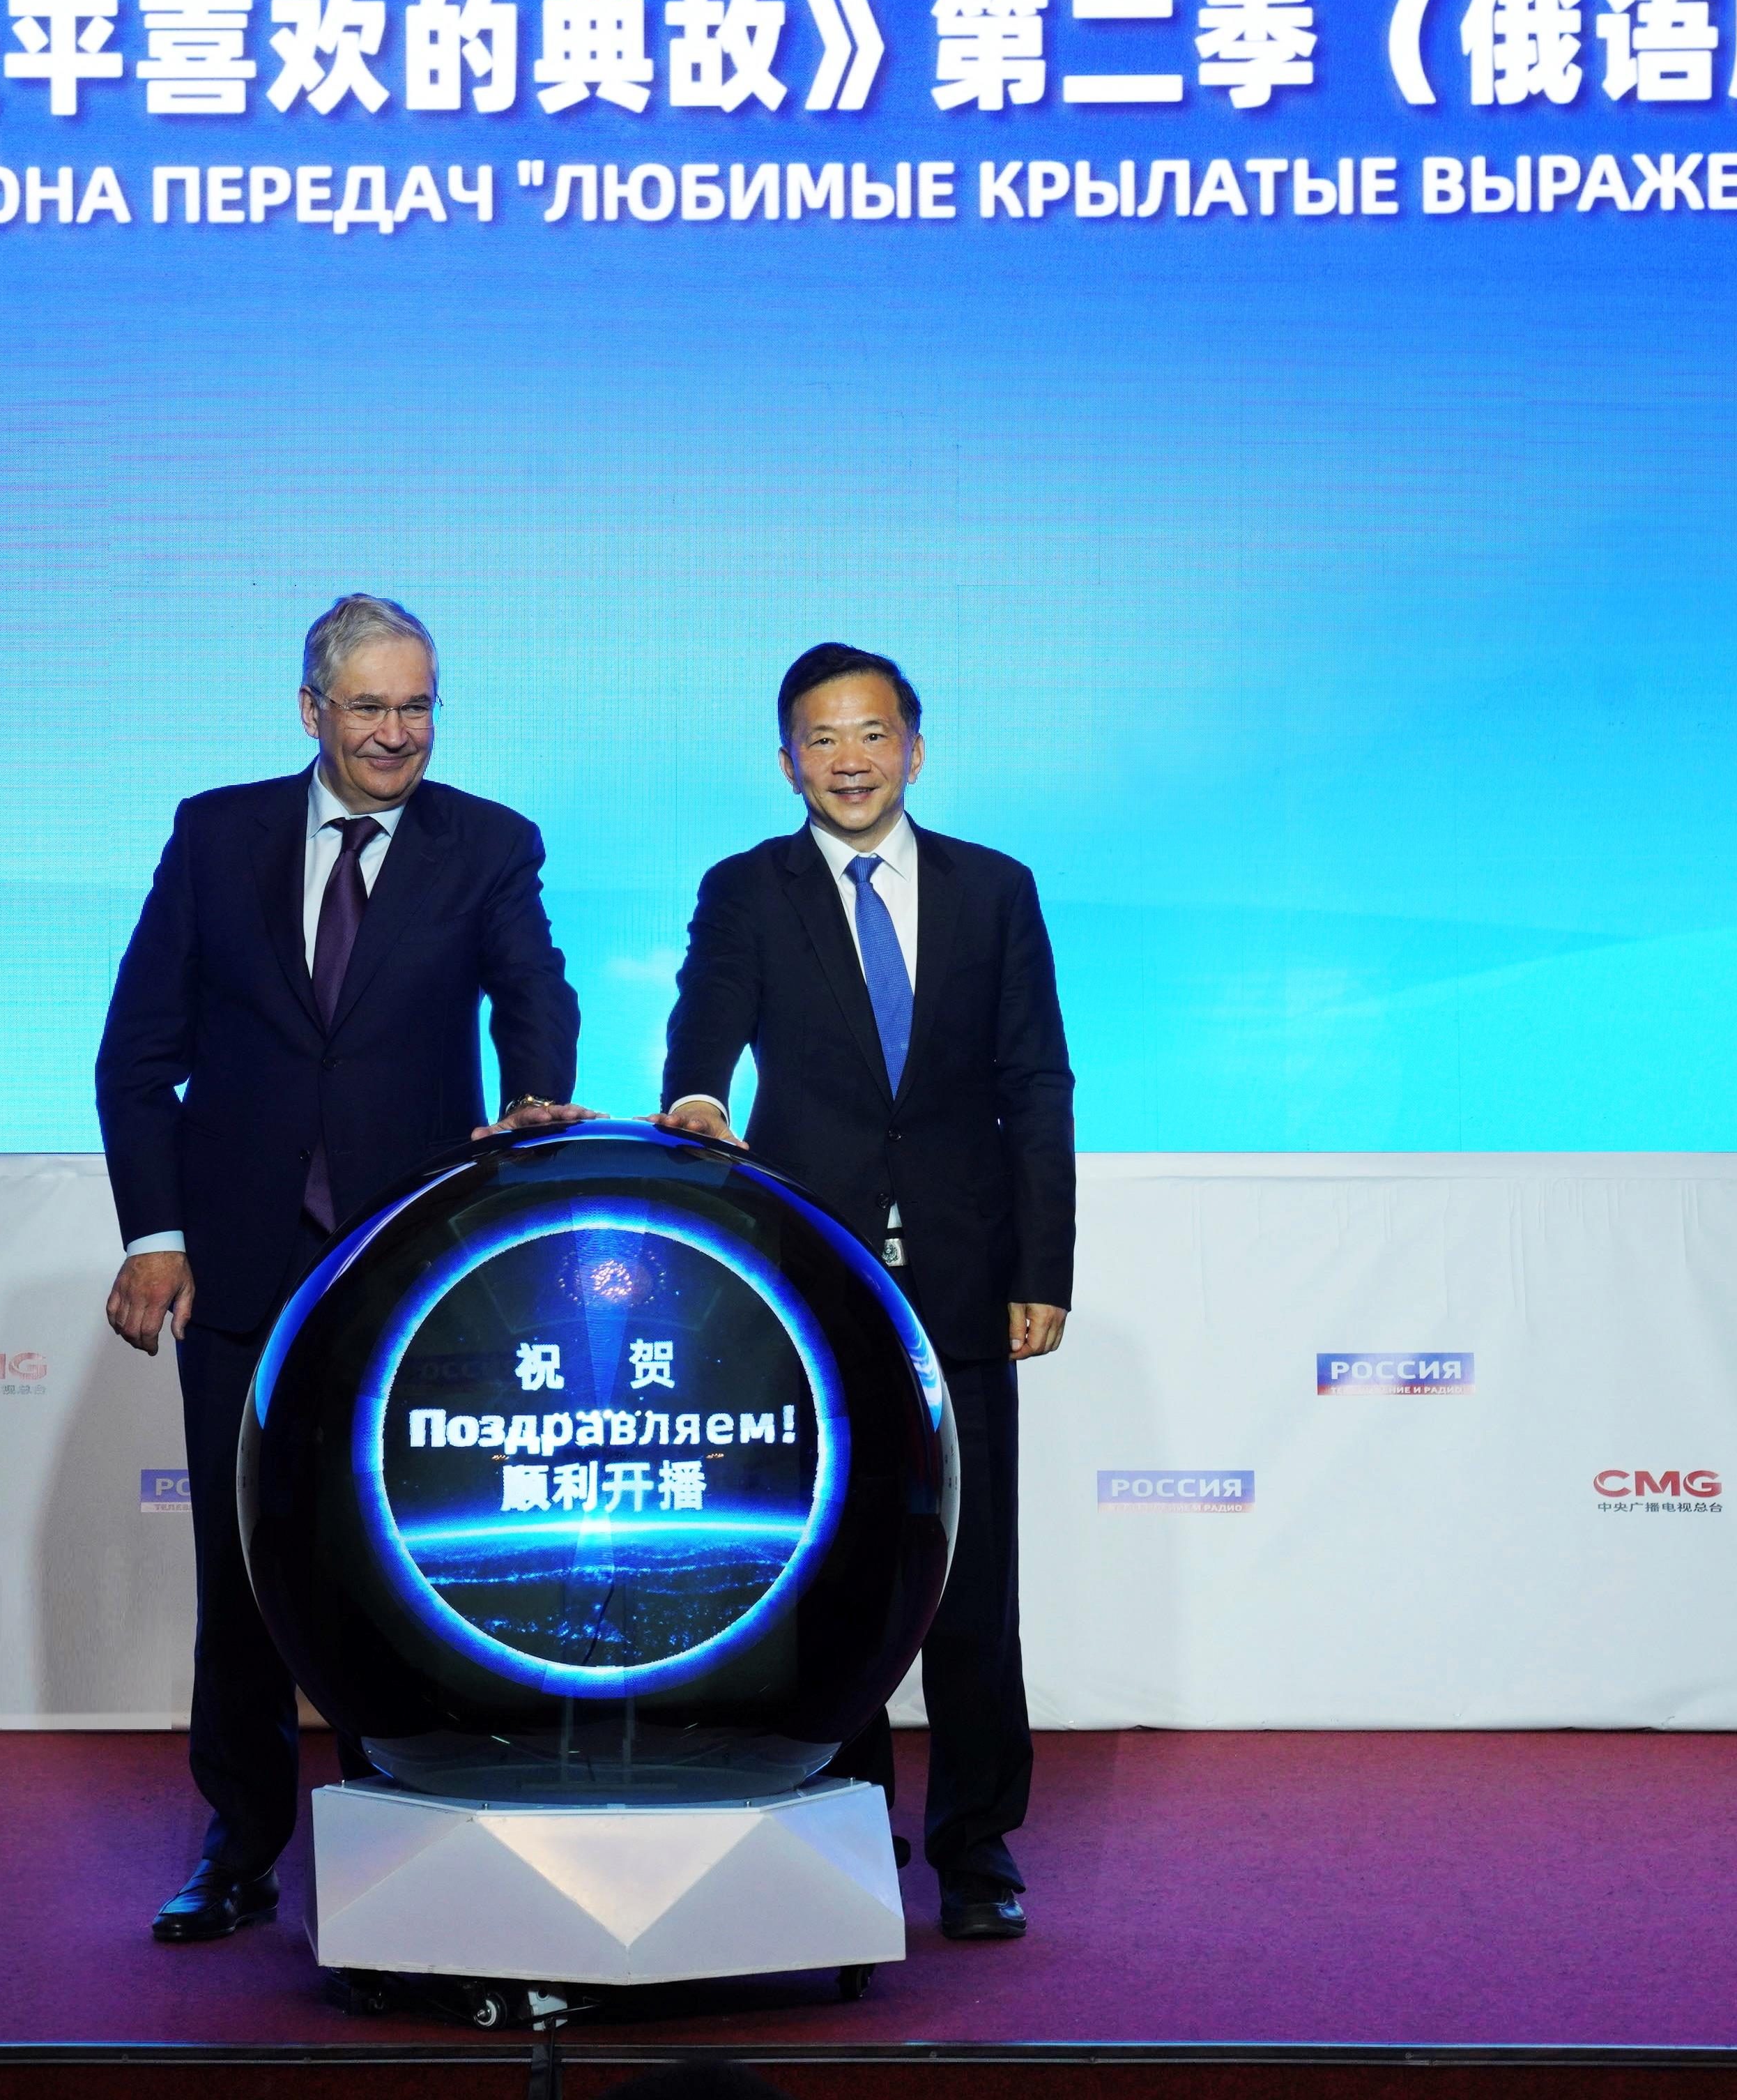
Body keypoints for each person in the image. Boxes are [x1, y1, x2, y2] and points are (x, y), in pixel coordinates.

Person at [95, 592, 586, 1942]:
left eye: (416, 706)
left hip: (407, 1270)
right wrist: (155, 1235)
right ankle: (240, 1844)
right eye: (368, 706)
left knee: (405, 1559)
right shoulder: (215, 835)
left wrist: (536, 1096)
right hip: (239, 1266)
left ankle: (406, 1825)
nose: (394, 733)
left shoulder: (489, 843)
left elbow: (533, 989)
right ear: (310, 710)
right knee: (242, 1563)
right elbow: (137, 1055)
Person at [659, 642, 1072, 1942]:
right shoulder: (747, 887)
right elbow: (706, 1016)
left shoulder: (994, 888)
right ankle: (840, 1823)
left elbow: (1035, 1083)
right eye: (822, 739)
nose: (850, 760)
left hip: (964, 1271)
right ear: (788, 761)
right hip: (813, 1277)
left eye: (873, 734)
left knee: (972, 1574)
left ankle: (977, 1847)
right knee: (829, 1568)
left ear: (916, 747)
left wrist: (1041, 1267)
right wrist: (695, 1098)